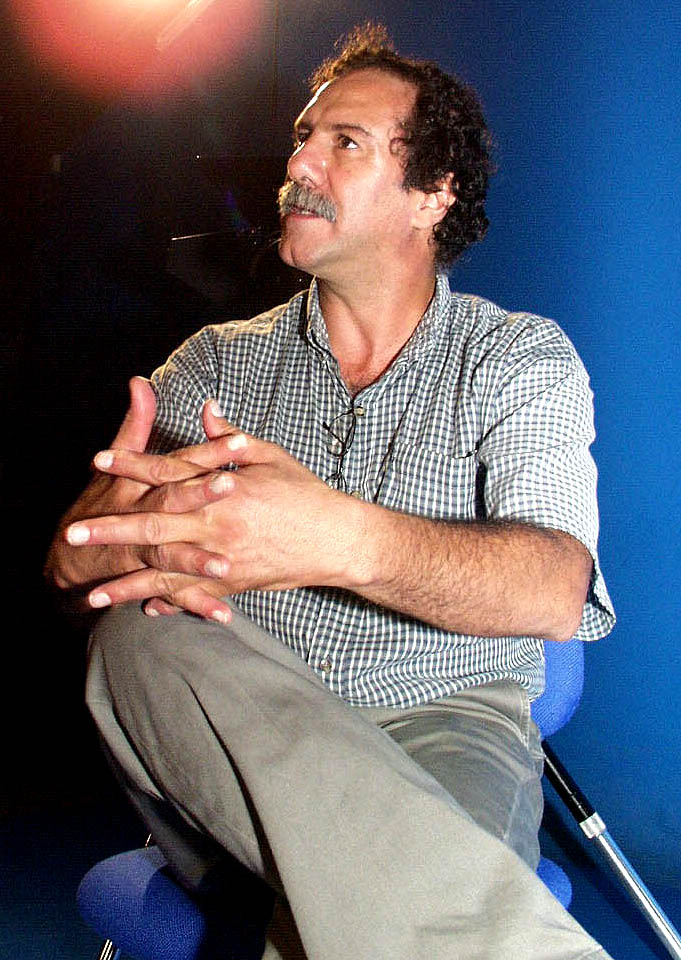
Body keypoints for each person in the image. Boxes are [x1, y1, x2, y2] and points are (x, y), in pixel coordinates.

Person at [46, 24, 616, 960]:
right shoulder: (212, 363)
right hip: (237, 724)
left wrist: (340, 539)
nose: (297, 164)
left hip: (441, 724)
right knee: (132, 643)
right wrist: (113, 540)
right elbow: (73, 574)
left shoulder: (518, 359)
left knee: (378, 899)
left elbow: (553, 590)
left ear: (432, 194)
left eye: (343, 142)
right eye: (301, 138)